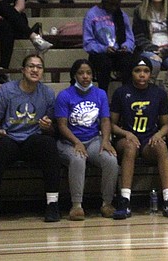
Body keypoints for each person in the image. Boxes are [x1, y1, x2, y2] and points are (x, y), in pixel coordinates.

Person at [0, 54, 61, 224]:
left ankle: (52, 203)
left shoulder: (47, 93)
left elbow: (53, 129)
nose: (35, 70)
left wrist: (48, 127)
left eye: (39, 67)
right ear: (23, 70)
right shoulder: (6, 90)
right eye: (31, 66)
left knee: (49, 145)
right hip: (9, 138)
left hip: (32, 140)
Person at [110, 58, 168, 219]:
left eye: (145, 71)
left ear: (150, 74)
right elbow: (112, 125)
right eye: (138, 71)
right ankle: (125, 200)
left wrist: (158, 134)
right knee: (130, 146)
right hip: (128, 139)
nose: (142, 75)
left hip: (149, 139)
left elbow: (166, 124)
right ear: (131, 73)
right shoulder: (121, 93)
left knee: (161, 146)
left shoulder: (158, 93)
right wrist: (127, 134)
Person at [55, 59, 119, 220]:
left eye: (88, 73)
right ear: (74, 75)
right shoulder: (64, 95)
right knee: (78, 159)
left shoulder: (100, 94)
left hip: (93, 140)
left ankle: (107, 203)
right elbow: (62, 125)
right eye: (81, 73)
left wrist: (105, 140)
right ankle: (76, 205)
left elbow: (105, 120)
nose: (85, 76)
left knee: (110, 159)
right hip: (69, 141)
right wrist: (76, 142)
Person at [82, 0, 136, 95]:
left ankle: (126, 95)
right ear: (104, 0)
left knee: (129, 61)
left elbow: (130, 38)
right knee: (104, 63)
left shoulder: (121, 15)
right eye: (111, 4)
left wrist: (126, 46)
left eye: (117, 4)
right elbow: (88, 43)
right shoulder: (91, 15)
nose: (114, 8)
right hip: (100, 54)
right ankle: (103, 95)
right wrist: (104, 48)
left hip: (119, 52)